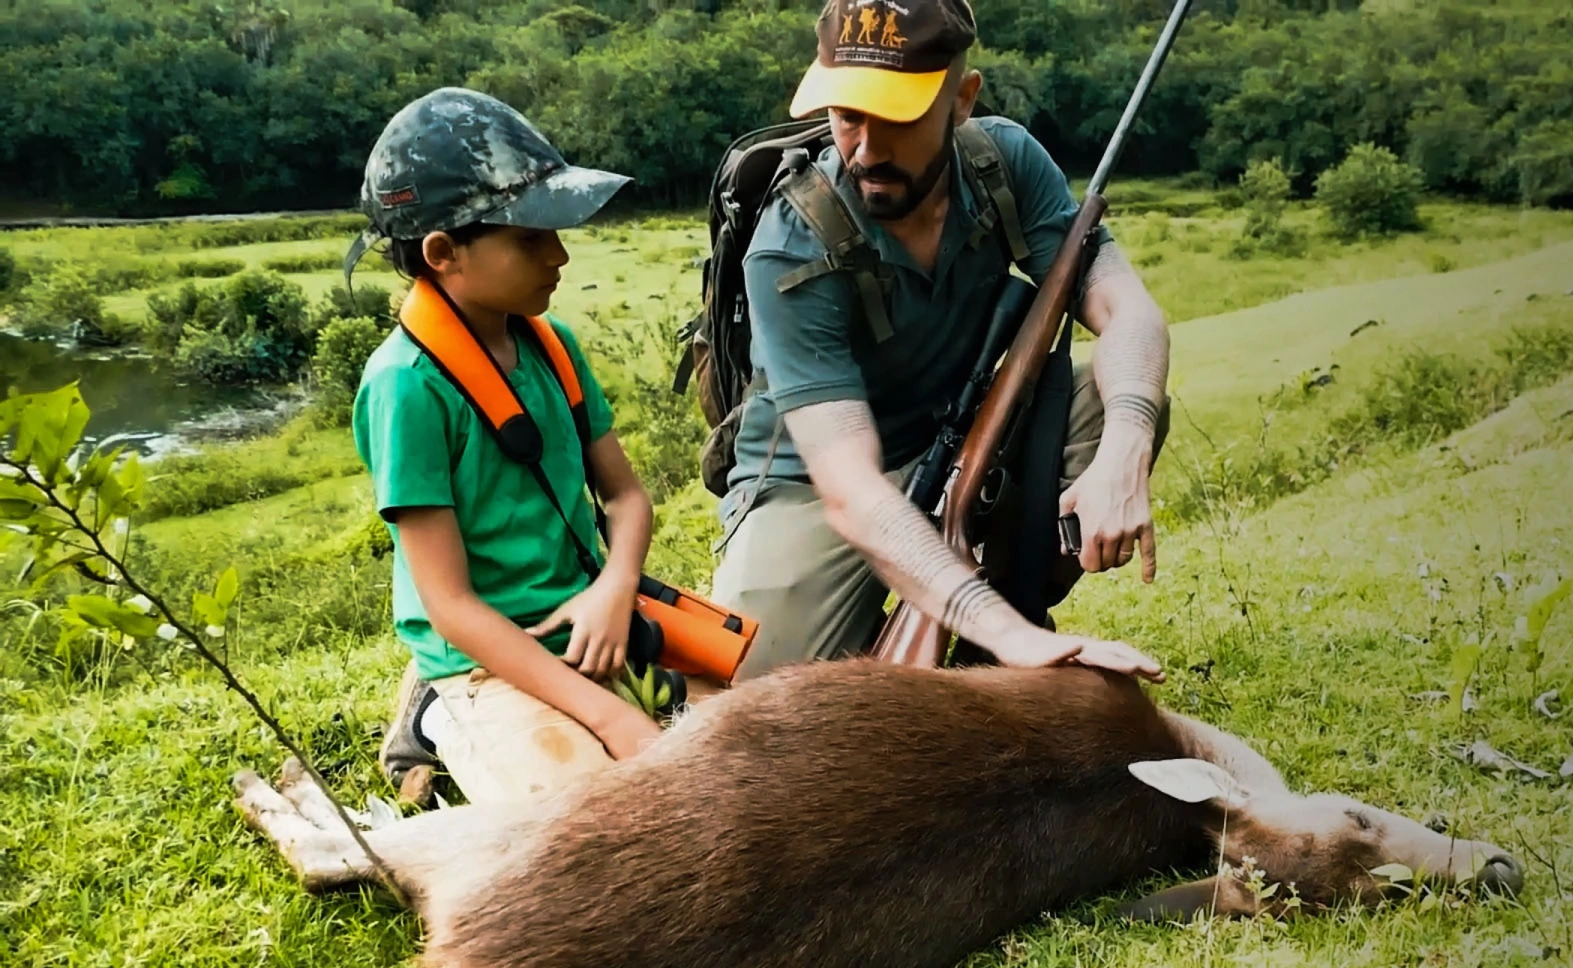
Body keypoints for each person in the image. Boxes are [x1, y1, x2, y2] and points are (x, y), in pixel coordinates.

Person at [708, 0, 1174, 683]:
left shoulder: (1004, 164)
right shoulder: (789, 243)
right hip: (813, 485)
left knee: (1118, 399)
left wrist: (1126, 450)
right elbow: (849, 487)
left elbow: (1128, 310)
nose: (864, 149)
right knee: (756, 694)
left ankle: (1012, 601)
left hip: (964, 438)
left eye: (894, 118)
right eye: (845, 115)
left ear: (962, 100)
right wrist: (1007, 633)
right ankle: (982, 624)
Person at [343, 87, 664, 805]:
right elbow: (450, 602)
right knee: (601, 824)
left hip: (588, 623)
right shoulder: (407, 387)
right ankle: (435, 707)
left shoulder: (553, 346)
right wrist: (609, 713)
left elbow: (628, 496)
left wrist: (615, 588)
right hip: (480, 655)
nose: (560, 255)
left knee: (751, 755)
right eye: (530, 236)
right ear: (442, 253)